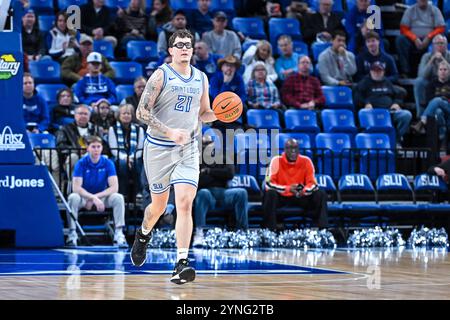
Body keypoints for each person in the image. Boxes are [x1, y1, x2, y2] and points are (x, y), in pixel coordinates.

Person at [130, 29, 218, 285]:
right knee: (157, 208)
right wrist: (170, 131)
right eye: (179, 45)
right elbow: (141, 112)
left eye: (188, 45)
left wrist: (220, 114)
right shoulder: (161, 75)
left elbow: (204, 113)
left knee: (184, 203)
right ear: (170, 50)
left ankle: (181, 263)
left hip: (187, 150)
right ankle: (144, 234)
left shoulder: (201, 78)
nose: (184, 48)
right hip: (158, 148)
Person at [66, 135, 128, 247]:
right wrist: (92, 198)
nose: (96, 149)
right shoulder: (81, 163)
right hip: (84, 198)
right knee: (73, 197)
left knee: (118, 197)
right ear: (88, 148)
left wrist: (96, 198)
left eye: (98, 146)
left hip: (102, 197)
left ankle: (119, 233)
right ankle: (72, 233)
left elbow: (114, 187)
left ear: (102, 148)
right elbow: (76, 188)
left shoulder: (108, 163)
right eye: (93, 147)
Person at [192, 136, 249, 247]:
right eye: (203, 143)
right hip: (208, 195)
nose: (206, 145)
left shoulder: (223, 156)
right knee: (202, 193)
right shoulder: (195, 158)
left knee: (241, 193)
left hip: (224, 193)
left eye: (208, 143)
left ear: (213, 144)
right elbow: (199, 181)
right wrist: (218, 174)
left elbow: (230, 174)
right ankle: (199, 232)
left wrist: (208, 172)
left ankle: (242, 232)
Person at [263, 138, 328, 230]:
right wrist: (288, 189)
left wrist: (304, 191)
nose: (293, 151)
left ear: (298, 150)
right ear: (285, 150)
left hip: (300, 196)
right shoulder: (275, 161)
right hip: (282, 197)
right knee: (270, 194)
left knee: (320, 193)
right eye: (290, 148)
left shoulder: (306, 161)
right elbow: (268, 184)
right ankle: (270, 231)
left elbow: (313, 184)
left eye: (295, 148)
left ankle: (323, 231)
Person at [354, 62, 412, 148]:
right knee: (363, 112)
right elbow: (357, 96)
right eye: (375, 71)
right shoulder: (365, 83)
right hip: (372, 113)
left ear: (383, 72)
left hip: (388, 112)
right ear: (370, 72)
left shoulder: (387, 82)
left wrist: (396, 103)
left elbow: (398, 94)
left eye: (379, 71)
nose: (377, 73)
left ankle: (396, 139)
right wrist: (366, 103)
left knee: (406, 115)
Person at [396, 0, 445, 78]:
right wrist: (414, 38)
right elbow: (403, 28)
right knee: (400, 40)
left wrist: (429, 37)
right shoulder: (410, 10)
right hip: (412, 41)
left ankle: (436, 71)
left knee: (440, 39)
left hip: (430, 41)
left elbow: (441, 28)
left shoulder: (435, 10)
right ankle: (405, 72)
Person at [108, 104, 145, 199]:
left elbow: (140, 148)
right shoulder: (113, 129)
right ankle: (122, 192)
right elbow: (113, 149)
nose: (126, 116)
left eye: (129, 113)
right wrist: (126, 158)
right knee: (122, 163)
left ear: (132, 116)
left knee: (137, 163)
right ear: (119, 115)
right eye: (124, 113)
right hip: (119, 157)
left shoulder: (139, 129)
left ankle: (139, 192)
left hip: (135, 157)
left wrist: (131, 158)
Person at [411, 61, 450, 149]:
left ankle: (422, 122)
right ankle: (442, 138)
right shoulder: (432, 84)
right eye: (440, 69)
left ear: (449, 71)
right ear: (438, 72)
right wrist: (442, 99)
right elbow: (429, 100)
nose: (443, 71)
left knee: (437, 100)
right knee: (438, 111)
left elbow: (435, 99)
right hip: (437, 109)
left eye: (445, 69)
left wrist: (443, 99)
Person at [56, 104, 100, 177]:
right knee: (73, 157)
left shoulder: (95, 129)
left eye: (85, 114)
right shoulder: (65, 129)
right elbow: (61, 146)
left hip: (92, 155)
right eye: (80, 113)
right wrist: (78, 150)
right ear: (75, 115)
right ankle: (75, 185)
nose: (83, 116)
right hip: (72, 156)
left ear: (89, 116)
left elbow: (103, 145)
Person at [414, 34, 450, 117]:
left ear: (446, 45)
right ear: (433, 45)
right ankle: (420, 114)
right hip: (431, 82)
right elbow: (422, 75)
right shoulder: (426, 56)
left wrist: (443, 60)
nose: (439, 45)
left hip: (446, 81)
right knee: (419, 82)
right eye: (437, 43)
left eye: (442, 43)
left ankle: (424, 119)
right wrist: (432, 59)